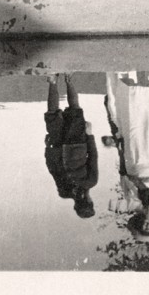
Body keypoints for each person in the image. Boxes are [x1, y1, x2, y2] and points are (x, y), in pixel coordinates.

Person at [103, 70, 149, 242]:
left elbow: (123, 174)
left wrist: (120, 149)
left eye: (143, 228)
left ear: (138, 224)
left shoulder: (131, 203)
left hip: (135, 159)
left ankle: (126, 75)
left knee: (133, 122)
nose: (146, 225)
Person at [44, 73, 98, 218]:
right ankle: (62, 79)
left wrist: (48, 148)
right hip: (69, 146)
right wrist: (89, 135)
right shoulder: (85, 184)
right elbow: (52, 169)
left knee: (60, 112)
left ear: (89, 201)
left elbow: (54, 171)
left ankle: (60, 80)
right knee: (66, 111)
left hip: (67, 147)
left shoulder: (70, 190)